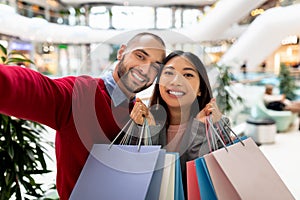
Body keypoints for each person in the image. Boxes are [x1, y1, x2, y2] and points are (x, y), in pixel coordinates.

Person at [0, 32, 166, 199]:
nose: (145, 69)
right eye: (140, 56)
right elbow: (34, 88)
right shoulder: (80, 94)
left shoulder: (140, 115)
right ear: (121, 52)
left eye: (155, 67)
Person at [130, 50, 231, 197]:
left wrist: (201, 129)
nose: (176, 81)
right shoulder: (144, 122)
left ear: (200, 90)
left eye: (188, 75)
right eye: (169, 73)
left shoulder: (217, 125)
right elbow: (143, 178)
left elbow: (202, 183)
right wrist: (145, 130)